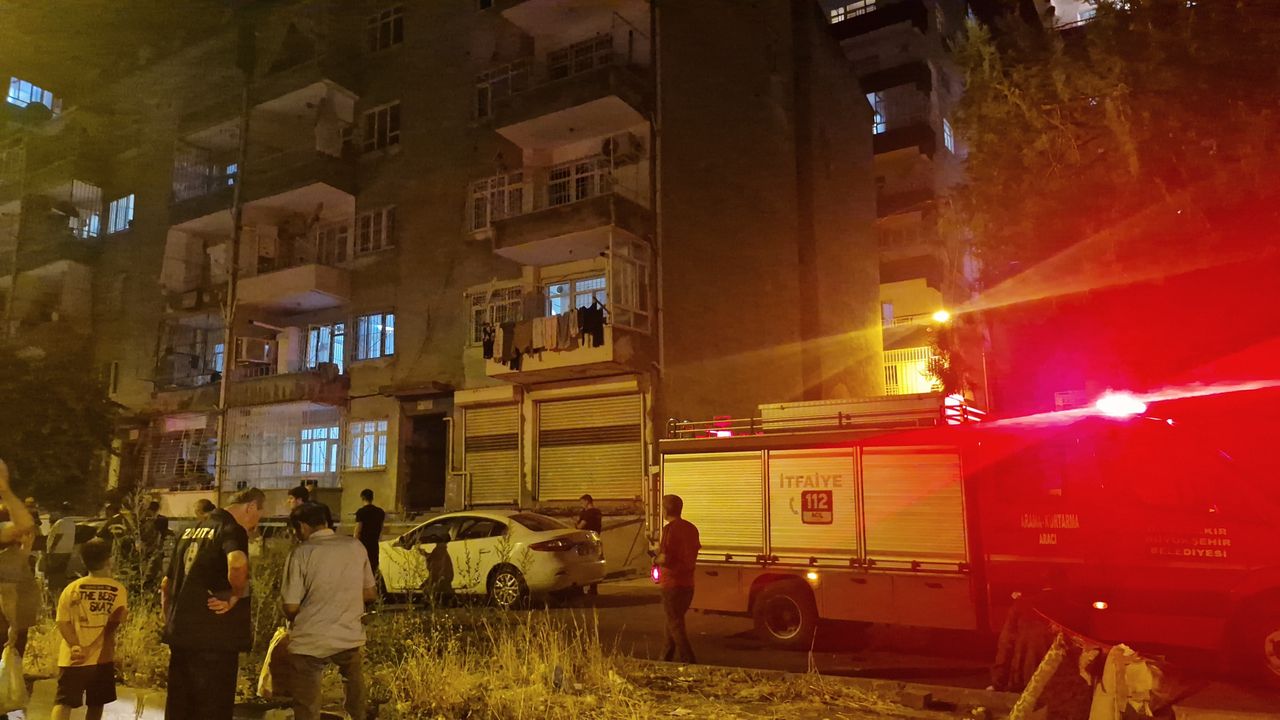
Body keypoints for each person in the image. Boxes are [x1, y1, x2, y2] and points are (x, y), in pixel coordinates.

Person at [161, 487, 265, 720]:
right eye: (259, 514)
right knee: (212, 705)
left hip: (181, 633)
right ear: (250, 507)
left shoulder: (188, 530)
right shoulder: (230, 529)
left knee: (180, 703)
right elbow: (237, 562)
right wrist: (235, 594)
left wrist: (169, 617)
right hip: (214, 638)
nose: (256, 522)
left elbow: (166, 583)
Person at [282, 501, 376, 720]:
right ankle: (358, 715)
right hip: (348, 633)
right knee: (353, 680)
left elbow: (291, 606)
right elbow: (370, 594)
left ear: (302, 526)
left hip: (311, 638)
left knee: (307, 697)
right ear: (326, 521)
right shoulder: (355, 547)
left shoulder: (301, 553)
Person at [52, 538, 127, 720]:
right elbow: (116, 622)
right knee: (96, 703)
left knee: (63, 702)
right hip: (102, 658)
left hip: (73, 658)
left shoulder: (71, 588)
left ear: (84, 561)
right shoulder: (117, 589)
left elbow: (62, 621)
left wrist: (75, 645)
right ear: (109, 560)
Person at [656, 493, 700, 664]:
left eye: (661, 507)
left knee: (675, 624)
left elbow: (665, 557)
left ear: (666, 510)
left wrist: (655, 559)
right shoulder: (691, 528)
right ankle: (664, 659)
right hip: (688, 584)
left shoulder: (669, 530)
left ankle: (688, 660)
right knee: (673, 622)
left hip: (672, 584)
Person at [46, 503, 77, 602]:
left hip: (57, 552)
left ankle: (55, 597)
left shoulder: (61, 522)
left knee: (54, 575)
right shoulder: (72, 523)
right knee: (61, 574)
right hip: (67, 551)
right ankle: (61, 595)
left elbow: (58, 537)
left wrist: (51, 550)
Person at [353, 488, 385, 580]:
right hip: (374, 544)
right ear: (372, 498)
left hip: (363, 544)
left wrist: (354, 543)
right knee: (373, 568)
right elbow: (381, 528)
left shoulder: (361, 512)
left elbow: (358, 530)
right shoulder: (380, 512)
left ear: (362, 498)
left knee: (362, 568)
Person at [576, 493, 603, 596]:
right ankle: (593, 588)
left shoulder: (588, 513)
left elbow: (580, 526)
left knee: (582, 564)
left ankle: (580, 589)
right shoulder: (598, 512)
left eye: (582, 502)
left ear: (587, 501)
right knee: (594, 564)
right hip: (596, 539)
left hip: (586, 541)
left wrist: (576, 524)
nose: (581, 505)